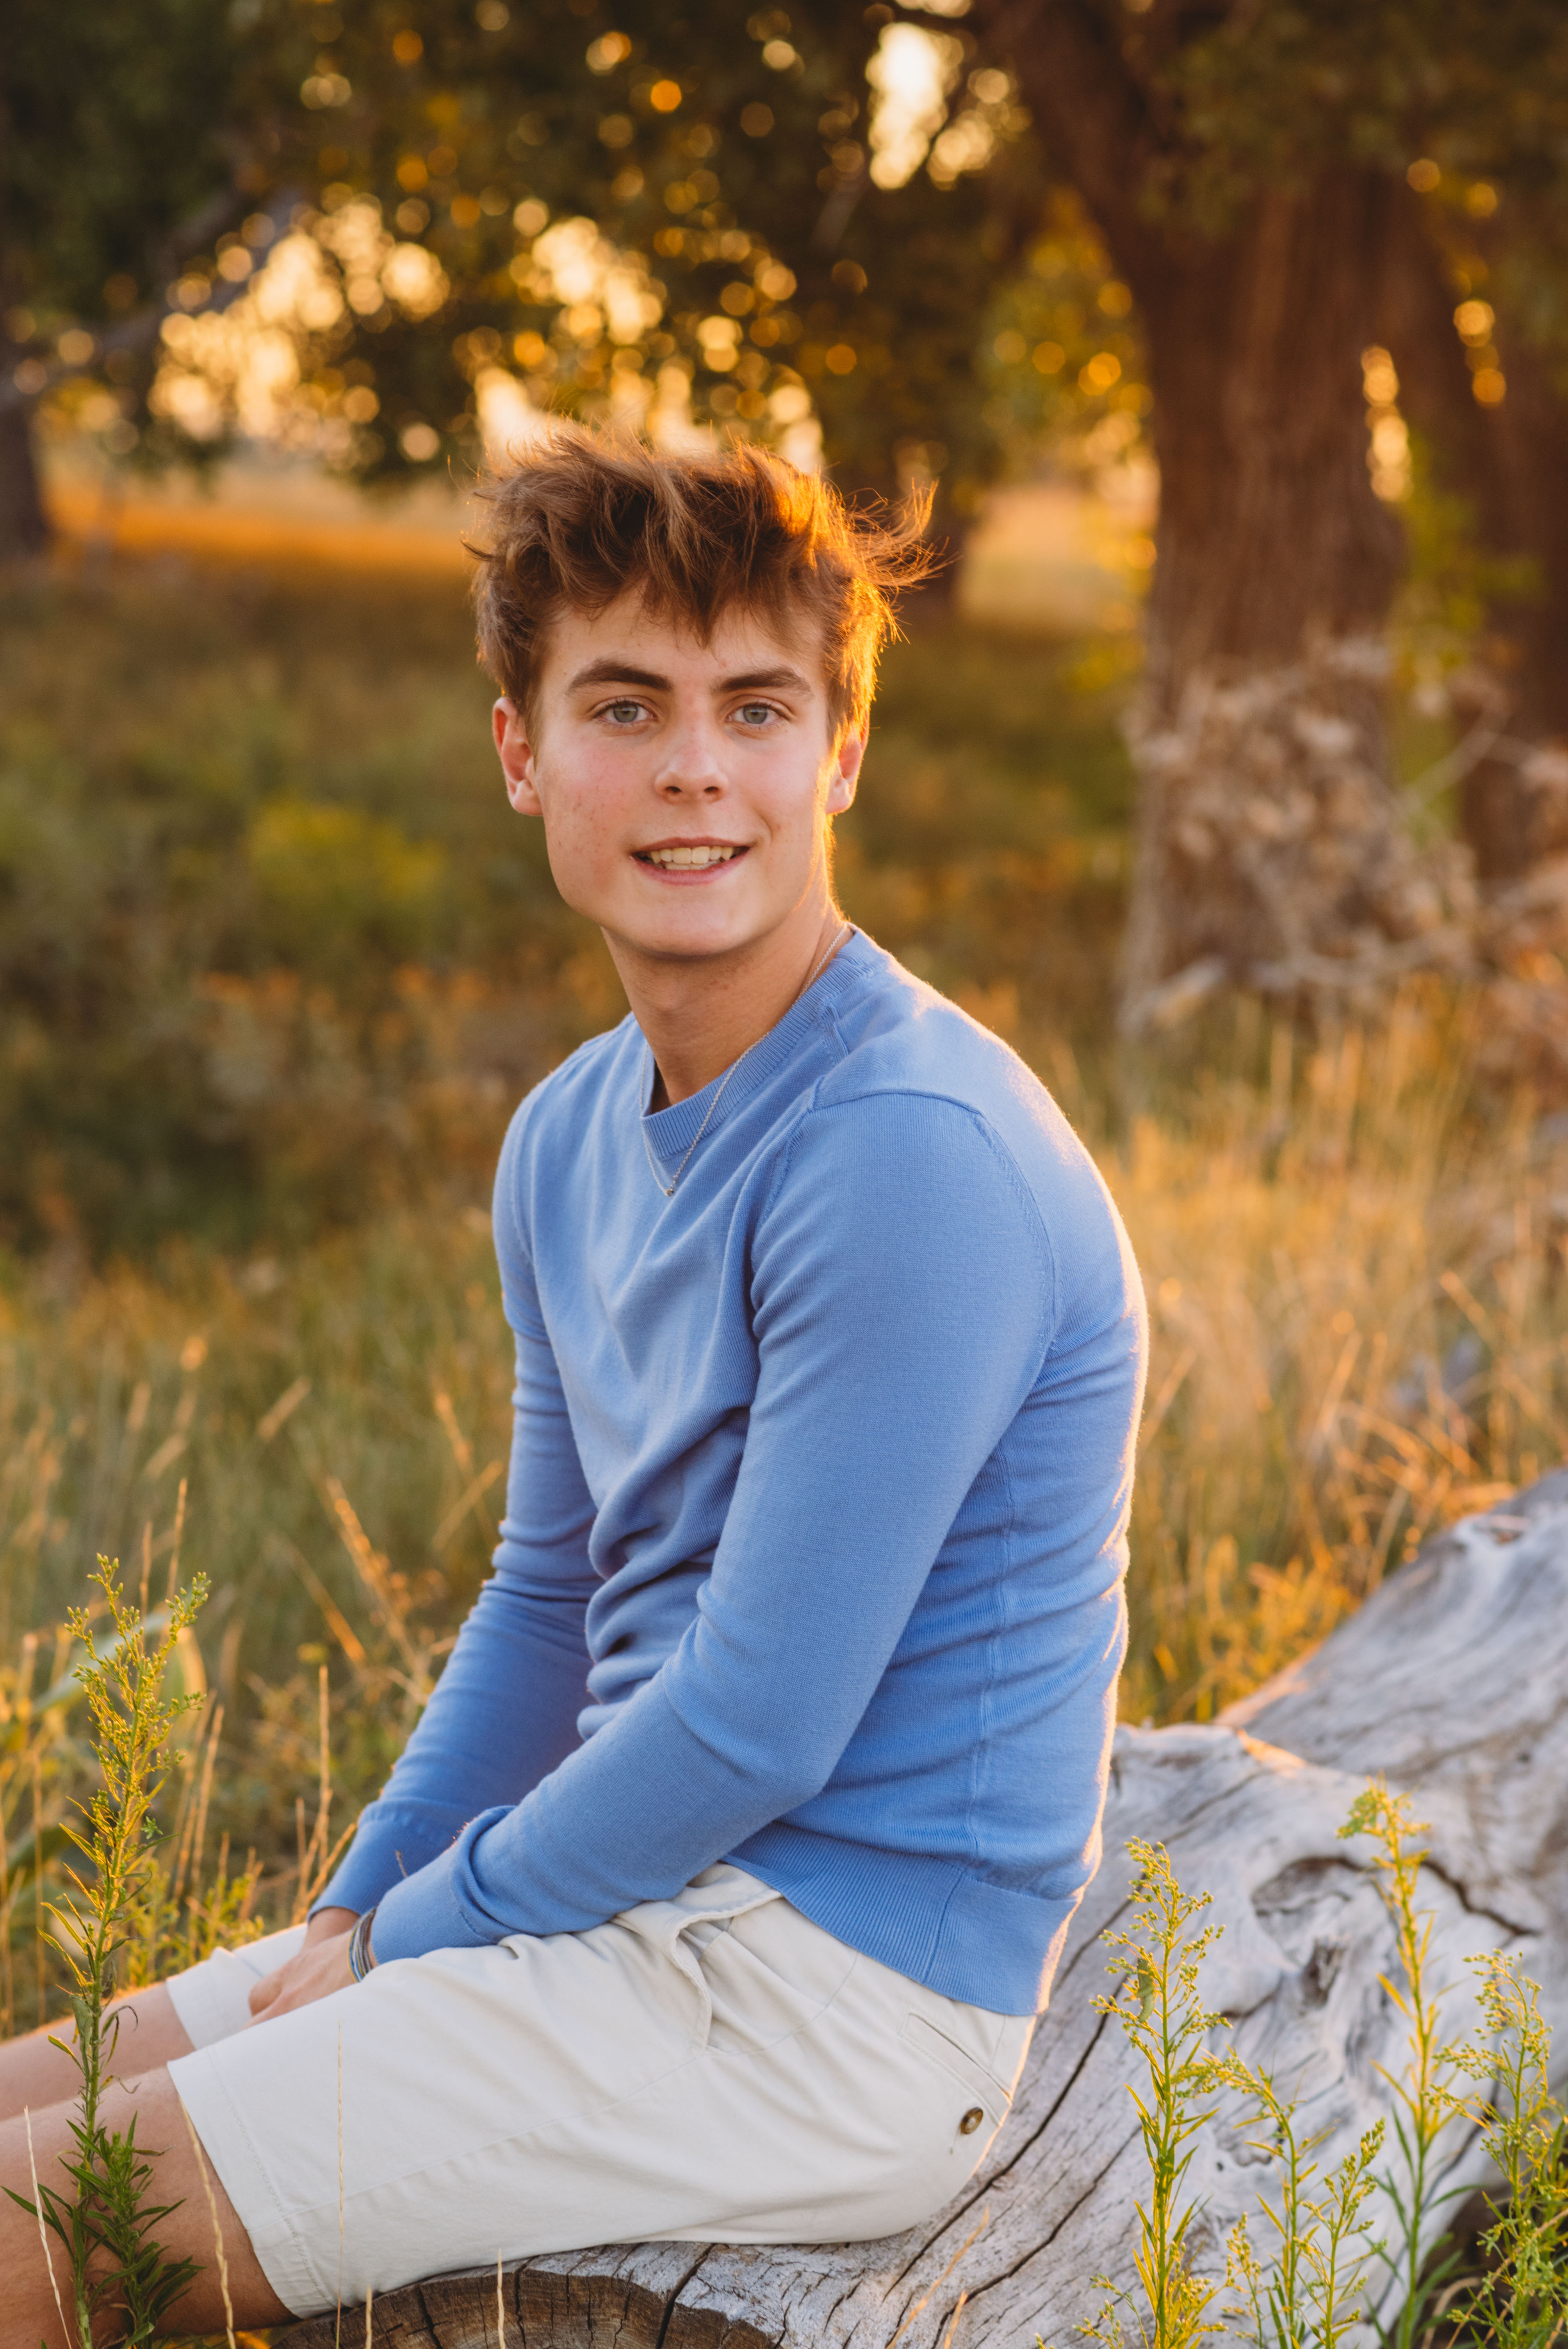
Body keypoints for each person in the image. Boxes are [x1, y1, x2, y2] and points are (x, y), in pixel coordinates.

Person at [0, 430, 1146, 2338]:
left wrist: (416, 1936)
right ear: (522, 750)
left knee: (37, 2230)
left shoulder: (908, 1151)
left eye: (755, 707)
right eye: (625, 703)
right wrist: (358, 1906)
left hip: (830, 2006)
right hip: (621, 1902)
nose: (696, 764)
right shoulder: (565, 1135)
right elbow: (552, 1596)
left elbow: (760, 1723)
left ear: (836, 757)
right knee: (30, 2097)